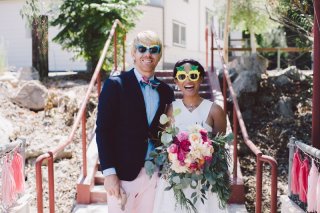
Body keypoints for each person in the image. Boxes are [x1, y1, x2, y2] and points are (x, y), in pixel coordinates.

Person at [96, 30, 174, 213]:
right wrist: (109, 173)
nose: (148, 54)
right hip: (123, 175)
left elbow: (167, 131)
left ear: (159, 55)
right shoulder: (115, 85)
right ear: (133, 53)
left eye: (154, 49)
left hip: (154, 174)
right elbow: (103, 131)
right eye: (142, 49)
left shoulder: (165, 91)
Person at [152, 59, 227, 213]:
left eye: (193, 75)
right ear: (176, 81)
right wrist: (177, 159)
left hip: (204, 182)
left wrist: (200, 157)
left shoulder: (215, 110)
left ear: (201, 78)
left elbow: (220, 150)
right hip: (176, 181)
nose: (188, 81)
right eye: (182, 76)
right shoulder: (171, 109)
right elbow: (165, 145)